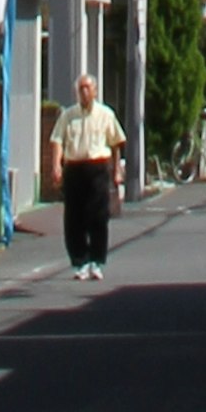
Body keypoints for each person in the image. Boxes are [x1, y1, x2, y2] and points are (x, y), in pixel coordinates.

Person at [55, 62, 125, 278]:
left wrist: (117, 170)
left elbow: (116, 143)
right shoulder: (68, 115)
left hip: (98, 167)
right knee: (74, 217)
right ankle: (80, 261)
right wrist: (56, 165)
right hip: (74, 167)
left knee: (97, 216)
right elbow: (57, 140)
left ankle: (97, 260)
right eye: (81, 88)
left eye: (88, 88)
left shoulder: (106, 114)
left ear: (95, 90)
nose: (84, 92)